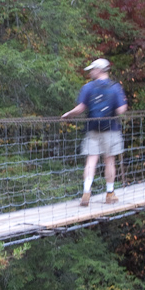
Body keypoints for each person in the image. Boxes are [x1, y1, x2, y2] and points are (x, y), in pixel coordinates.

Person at [61, 58, 128, 207]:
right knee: (109, 161)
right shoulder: (115, 87)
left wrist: (68, 114)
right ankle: (110, 194)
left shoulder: (88, 87)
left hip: (92, 128)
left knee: (91, 160)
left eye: (92, 69)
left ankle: (86, 192)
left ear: (99, 70)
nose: (91, 72)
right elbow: (121, 109)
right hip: (111, 129)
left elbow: (80, 108)